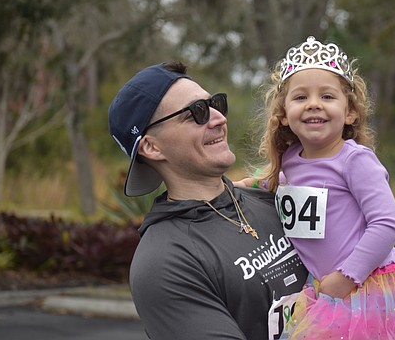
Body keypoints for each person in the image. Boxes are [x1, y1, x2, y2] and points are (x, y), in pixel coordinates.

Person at [238, 36, 395, 339]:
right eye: (301, 98)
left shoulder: (354, 160)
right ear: (284, 116)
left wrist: (348, 276)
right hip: (325, 289)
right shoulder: (289, 160)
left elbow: (386, 223)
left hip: (367, 284)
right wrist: (245, 186)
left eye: (327, 96)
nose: (314, 103)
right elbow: (279, 188)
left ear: (350, 112)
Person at [108, 61, 308, 340]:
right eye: (197, 113)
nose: (219, 118)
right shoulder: (164, 262)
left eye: (215, 104)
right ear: (151, 147)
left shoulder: (269, 199)